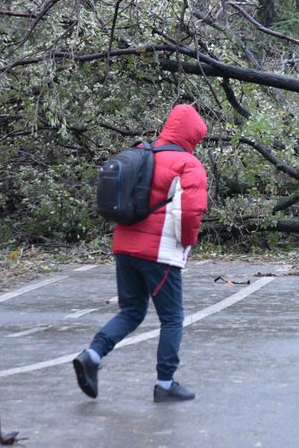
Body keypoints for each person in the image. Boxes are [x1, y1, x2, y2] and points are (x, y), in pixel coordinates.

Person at [74, 104, 209, 403]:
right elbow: (191, 213)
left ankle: (92, 355)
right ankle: (165, 384)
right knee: (173, 318)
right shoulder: (188, 164)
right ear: (192, 135)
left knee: (132, 311)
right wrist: (187, 244)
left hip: (124, 246)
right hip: (158, 253)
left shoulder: (141, 153)